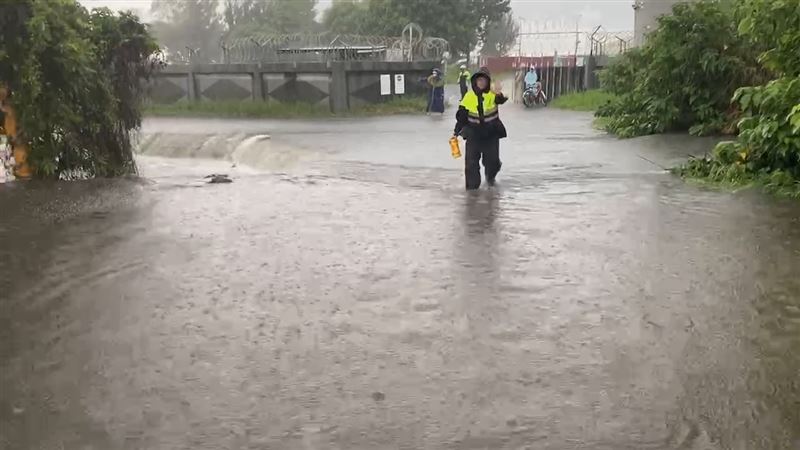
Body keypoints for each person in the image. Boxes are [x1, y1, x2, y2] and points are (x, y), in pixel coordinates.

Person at [453, 68, 508, 190]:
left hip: (491, 135)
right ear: (475, 81)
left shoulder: (492, 94)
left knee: (492, 163)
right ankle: (472, 194)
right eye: (479, 80)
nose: (481, 82)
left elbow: (501, 100)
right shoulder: (469, 96)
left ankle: (491, 178)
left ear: (488, 82)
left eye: (484, 80)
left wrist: (499, 94)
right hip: (473, 135)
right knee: (471, 164)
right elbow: (461, 117)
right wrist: (456, 132)